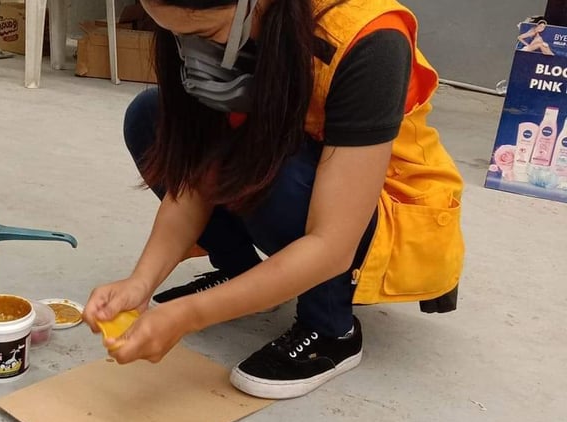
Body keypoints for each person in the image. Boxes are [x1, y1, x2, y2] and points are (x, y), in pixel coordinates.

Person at [83, 0, 464, 400]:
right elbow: (198, 174)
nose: (188, 52)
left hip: (380, 211)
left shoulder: (370, 40)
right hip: (296, 171)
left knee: (268, 170)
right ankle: (240, 274)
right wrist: (140, 282)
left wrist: (189, 316)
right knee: (151, 117)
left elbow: (333, 243)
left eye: (203, 35)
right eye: (171, 32)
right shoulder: (227, 28)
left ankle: (332, 328)